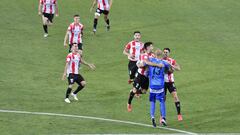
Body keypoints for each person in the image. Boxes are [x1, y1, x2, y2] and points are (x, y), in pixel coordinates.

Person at [147, 49, 174, 127]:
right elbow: (171, 71)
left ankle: (152, 116)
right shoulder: (164, 63)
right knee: (162, 102)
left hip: (152, 85)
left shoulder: (151, 59)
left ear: (155, 55)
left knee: (153, 102)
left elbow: (145, 61)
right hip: (160, 86)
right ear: (161, 55)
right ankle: (163, 118)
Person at [127, 42, 155, 112]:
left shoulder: (153, 55)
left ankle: (135, 92)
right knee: (134, 89)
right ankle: (129, 103)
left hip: (146, 76)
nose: (153, 47)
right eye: (151, 46)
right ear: (148, 47)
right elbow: (141, 64)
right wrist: (146, 64)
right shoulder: (143, 55)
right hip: (140, 75)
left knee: (144, 91)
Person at [162, 48, 182, 121]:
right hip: (163, 83)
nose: (165, 53)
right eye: (164, 52)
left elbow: (179, 68)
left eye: (166, 52)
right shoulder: (160, 60)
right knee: (163, 99)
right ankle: (162, 116)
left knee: (176, 97)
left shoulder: (172, 61)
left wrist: (172, 66)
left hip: (170, 82)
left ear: (169, 53)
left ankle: (179, 114)